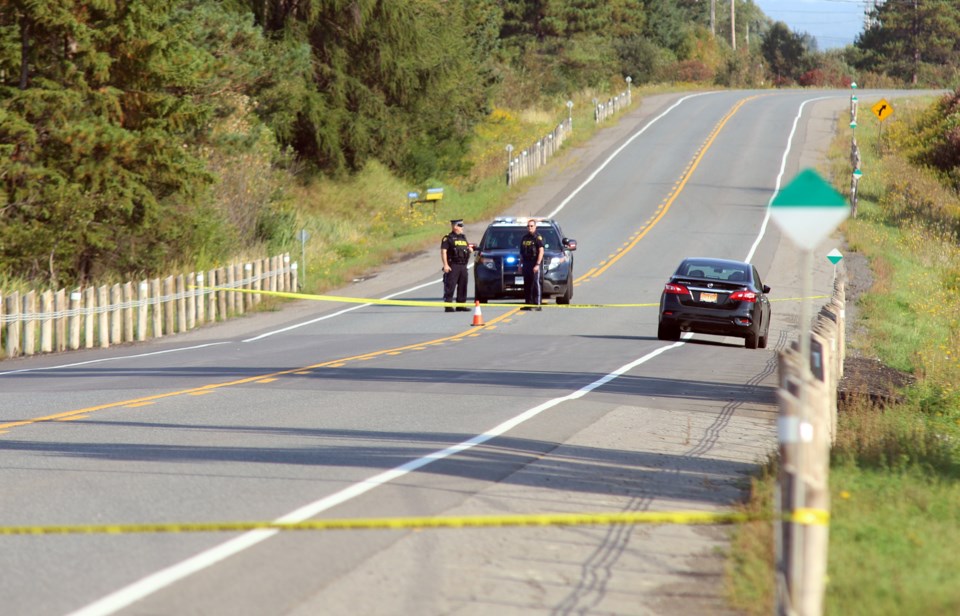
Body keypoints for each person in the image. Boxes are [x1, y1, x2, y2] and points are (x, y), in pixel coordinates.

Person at [440, 218, 473, 312]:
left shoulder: (463, 237)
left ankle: (461, 305)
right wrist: (446, 265)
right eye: (460, 226)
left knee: (463, 285)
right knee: (450, 285)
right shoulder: (448, 238)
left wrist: (469, 249)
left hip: (463, 265)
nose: (462, 228)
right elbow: (443, 252)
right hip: (453, 265)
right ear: (455, 227)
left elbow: (467, 248)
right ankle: (448, 305)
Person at [519, 219, 544, 311]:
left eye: (531, 226)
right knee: (527, 284)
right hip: (526, 263)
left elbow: (541, 251)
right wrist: (520, 265)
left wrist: (537, 264)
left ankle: (537, 304)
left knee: (536, 283)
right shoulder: (524, 238)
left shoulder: (537, 238)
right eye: (528, 226)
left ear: (535, 227)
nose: (530, 227)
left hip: (534, 263)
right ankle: (528, 303)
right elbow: (521, 253)